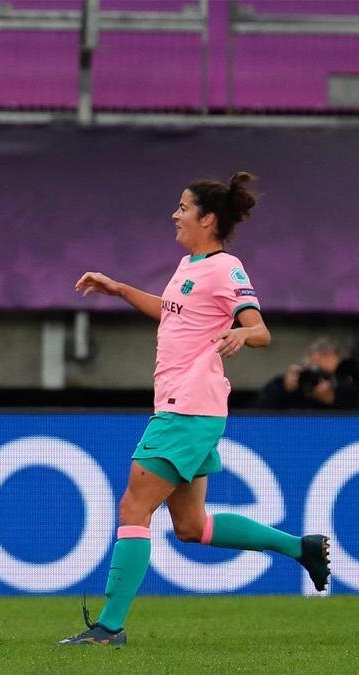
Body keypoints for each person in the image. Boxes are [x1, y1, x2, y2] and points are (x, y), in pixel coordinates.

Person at [61, 172, 330, 647]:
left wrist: (243, 333)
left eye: (183, 208)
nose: (175, 214)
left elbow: (260, 330)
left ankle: (109, 627)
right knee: (190, 527)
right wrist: (119, 289)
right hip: (188, 407)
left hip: (187, 409)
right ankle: (300, 547)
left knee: (133, 506)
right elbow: (171, 313)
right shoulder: (188, 265)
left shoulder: (227, 268)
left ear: (208, 219)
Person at [255, 337, 359, 409]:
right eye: (314, 370)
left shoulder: (348, 387)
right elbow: (252, 415)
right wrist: (283, 388)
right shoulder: (292, 387)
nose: (319, 379)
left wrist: (336, 399)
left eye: (326, 374)